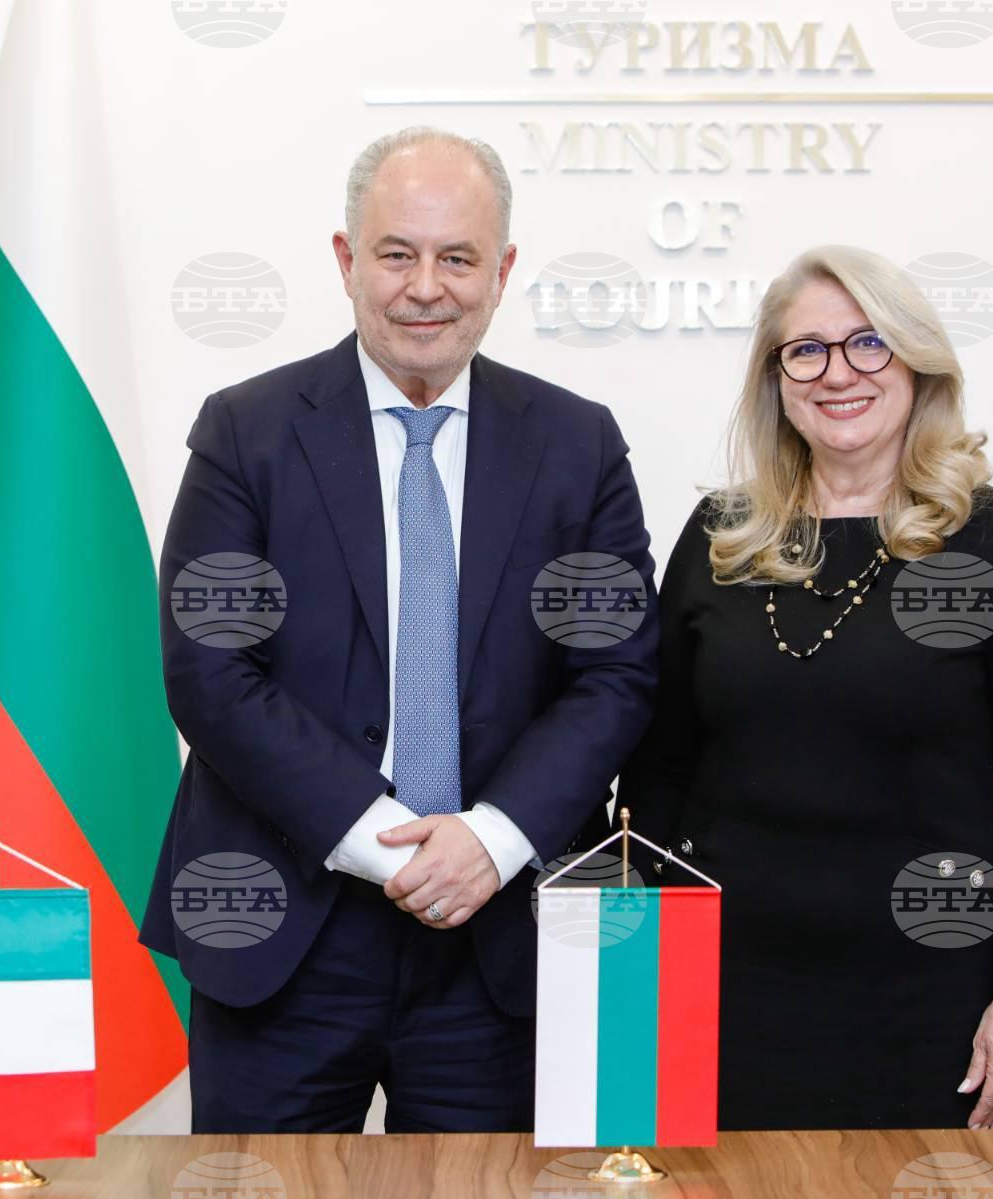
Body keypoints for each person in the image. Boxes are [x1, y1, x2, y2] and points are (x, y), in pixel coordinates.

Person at [140, 126, 659, 1133]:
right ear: (346, 260)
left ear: (502, 271)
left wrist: (490, 841)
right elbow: (211, 671)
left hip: (500, 940)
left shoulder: (577, 442)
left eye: (458, 257)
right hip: (283, 928)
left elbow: (614, 679)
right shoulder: (246, 431)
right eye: (396, 253)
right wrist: (389, 846)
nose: (426, 287)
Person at [618, 245, 993, 1132]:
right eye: (807, 350)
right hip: (721, 987)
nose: (838, 373)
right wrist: (631, 968)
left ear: (916, 362)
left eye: (868, 343)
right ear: (777, 378)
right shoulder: (722, 536)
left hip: (927, 996)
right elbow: (660, 768)